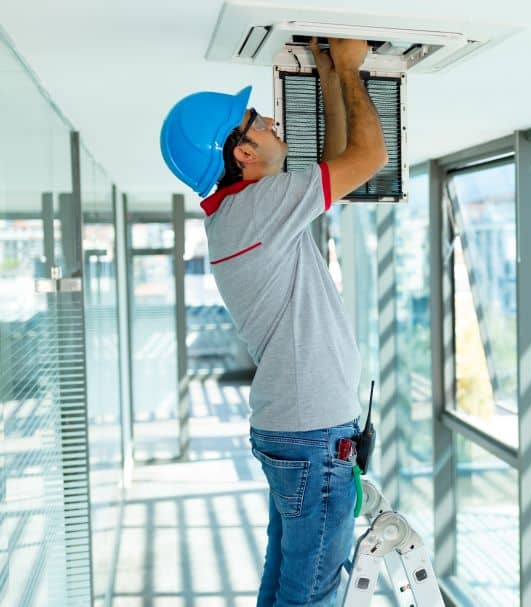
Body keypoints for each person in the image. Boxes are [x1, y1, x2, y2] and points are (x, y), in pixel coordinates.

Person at [159, 37, 387, 606]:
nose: (269, 121)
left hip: (300, 433)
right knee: (306, 596)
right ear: (241, 153)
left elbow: (338, 160)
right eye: (255, 120)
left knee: (289, 587)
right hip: (309, 436)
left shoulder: (245, 214)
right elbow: (369, 157)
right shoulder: (260, 211)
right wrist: (354, 68)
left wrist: (335, 71)